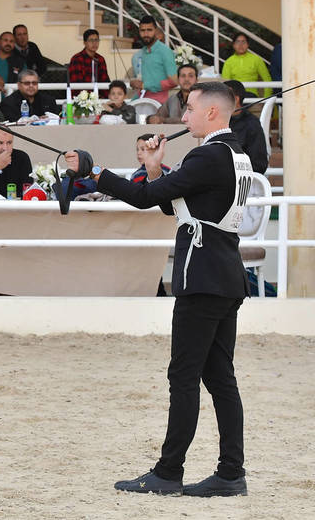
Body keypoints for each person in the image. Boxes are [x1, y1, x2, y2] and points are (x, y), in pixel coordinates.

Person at [67, 81, 252, 497]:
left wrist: (93, 172)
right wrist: (154, 167)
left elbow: (144, 198)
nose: (182, 117)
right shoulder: (235, 155)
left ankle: (169, 472)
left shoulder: (207, 155)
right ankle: (230, 473)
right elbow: (175, 203)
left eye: (189, 109)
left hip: (201, 276)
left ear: (211, 113)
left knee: (184, 377)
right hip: (224, 275)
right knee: (220, 378)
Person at [128, 15, 177, 103]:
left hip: (158, 103)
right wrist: (135, 83)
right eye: (142, 30)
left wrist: (145, 85)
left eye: (149, 30)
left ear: (155, 31)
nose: (146, 34)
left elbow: (174, 81)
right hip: (141, 99)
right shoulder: (143, 52)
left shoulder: (165, 51)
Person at [224, 80, 269, 174]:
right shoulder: (219, 120)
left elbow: (259, 164)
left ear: (236, 99)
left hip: (241, 177)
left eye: (222, 97)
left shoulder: (251, 124)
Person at [221, 32, 272, 98]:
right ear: (233, 45)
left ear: (248, 44)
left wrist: (266, 99)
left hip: (252, 97)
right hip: (236, 98)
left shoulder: (256, 59)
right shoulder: (229, 62)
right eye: (238, 42)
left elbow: (267, 79)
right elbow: (225, 83)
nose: (240, 45)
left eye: (243, 42)